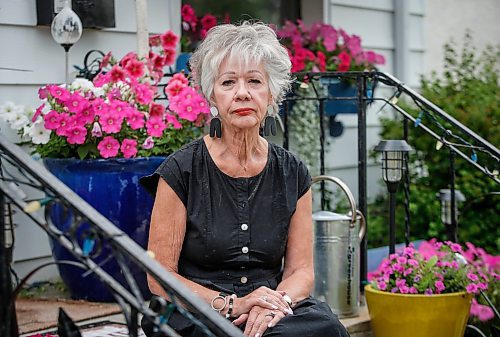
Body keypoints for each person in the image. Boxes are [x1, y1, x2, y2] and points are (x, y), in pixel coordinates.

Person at [140, 21, 350, 337]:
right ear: (212, 94)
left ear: (271, 92)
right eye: (228, 83)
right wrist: (233, 305)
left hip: (270, 303)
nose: (242, 93)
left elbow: (301, 271)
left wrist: (275, 304)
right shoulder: (181, 170)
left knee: (323, 329)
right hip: (199, 308)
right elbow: (159, 276)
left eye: (254, 81)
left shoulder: (292, 172)